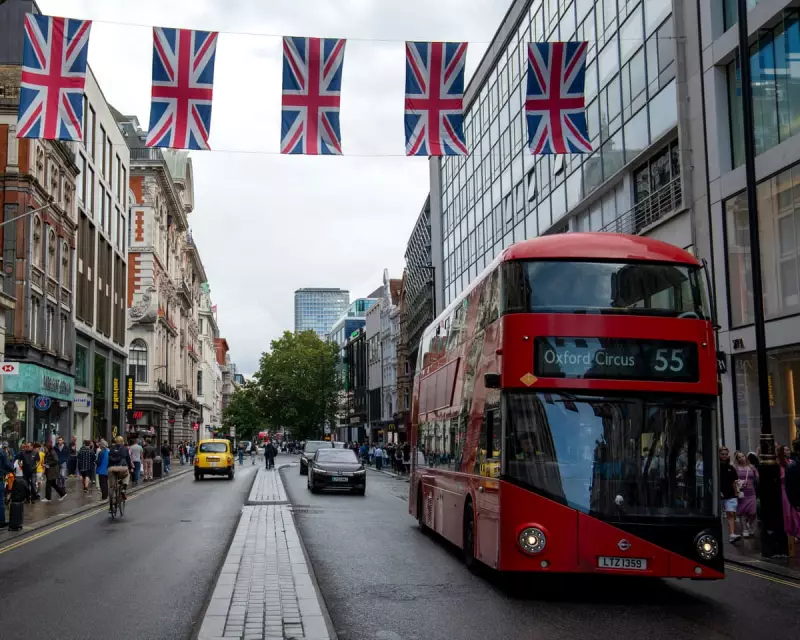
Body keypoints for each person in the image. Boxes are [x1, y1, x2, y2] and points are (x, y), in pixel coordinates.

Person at [733, 450, 758, 538]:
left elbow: (757, 478)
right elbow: (732, 479)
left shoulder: (751, 467)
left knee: (753, 512)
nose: (741, 458)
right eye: (739, 457)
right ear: (737, 459)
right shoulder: (736, 468)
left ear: (745, 457)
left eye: (742, 456)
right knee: (742, 512)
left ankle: (750, 526)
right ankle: (745, 529)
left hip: (751, 492)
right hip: (741, 493)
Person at [778, 444, 800, 540]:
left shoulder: (792, 462)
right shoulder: (779, 464)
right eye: (786, 450)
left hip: (793, 488)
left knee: (795, 512)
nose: (788, 451)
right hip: (784, 489)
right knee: (787, 512)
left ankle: (797, 531)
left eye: (788, 450)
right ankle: (789, 532)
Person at [719, 446, 740, 543]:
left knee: (730, 514)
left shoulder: (731, 468)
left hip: (730, 494)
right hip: (719, 495)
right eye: (722, 454)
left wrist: (736, 493)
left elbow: (734, 481)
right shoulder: (716, 467)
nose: (724, 456)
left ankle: (732, 534)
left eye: (726, 454)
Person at [107, 436, 132, 502]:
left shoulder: (111, 448)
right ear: (122, 441)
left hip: (112, 468)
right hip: (122, 468)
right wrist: (130, 468)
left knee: (112, 483)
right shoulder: (125, 449)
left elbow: (109, 459)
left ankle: (112, 495)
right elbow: (128, 460)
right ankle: (123, 488)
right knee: (127, 475)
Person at [0, 442, 14, 529]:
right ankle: (1, 522)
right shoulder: (1, 452)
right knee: (0, 501)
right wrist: (12, 469)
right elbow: (7, 465)